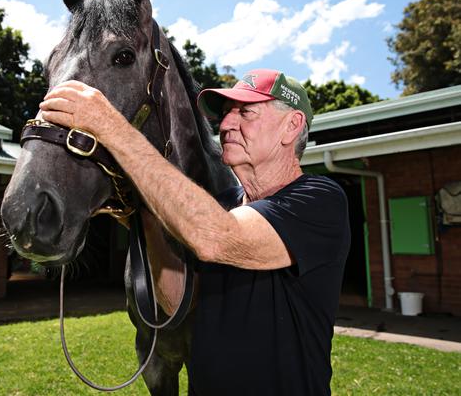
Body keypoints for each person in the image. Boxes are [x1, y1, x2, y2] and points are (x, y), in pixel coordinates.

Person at [39, 68, 351, 395]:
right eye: (227, 114)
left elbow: (216, 238)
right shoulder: (223, 204)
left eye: (246, 112)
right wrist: (145, 213)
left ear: (292, 126)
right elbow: (177, 303)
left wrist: (113, 128)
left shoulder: (318, 198)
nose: (227, 124)